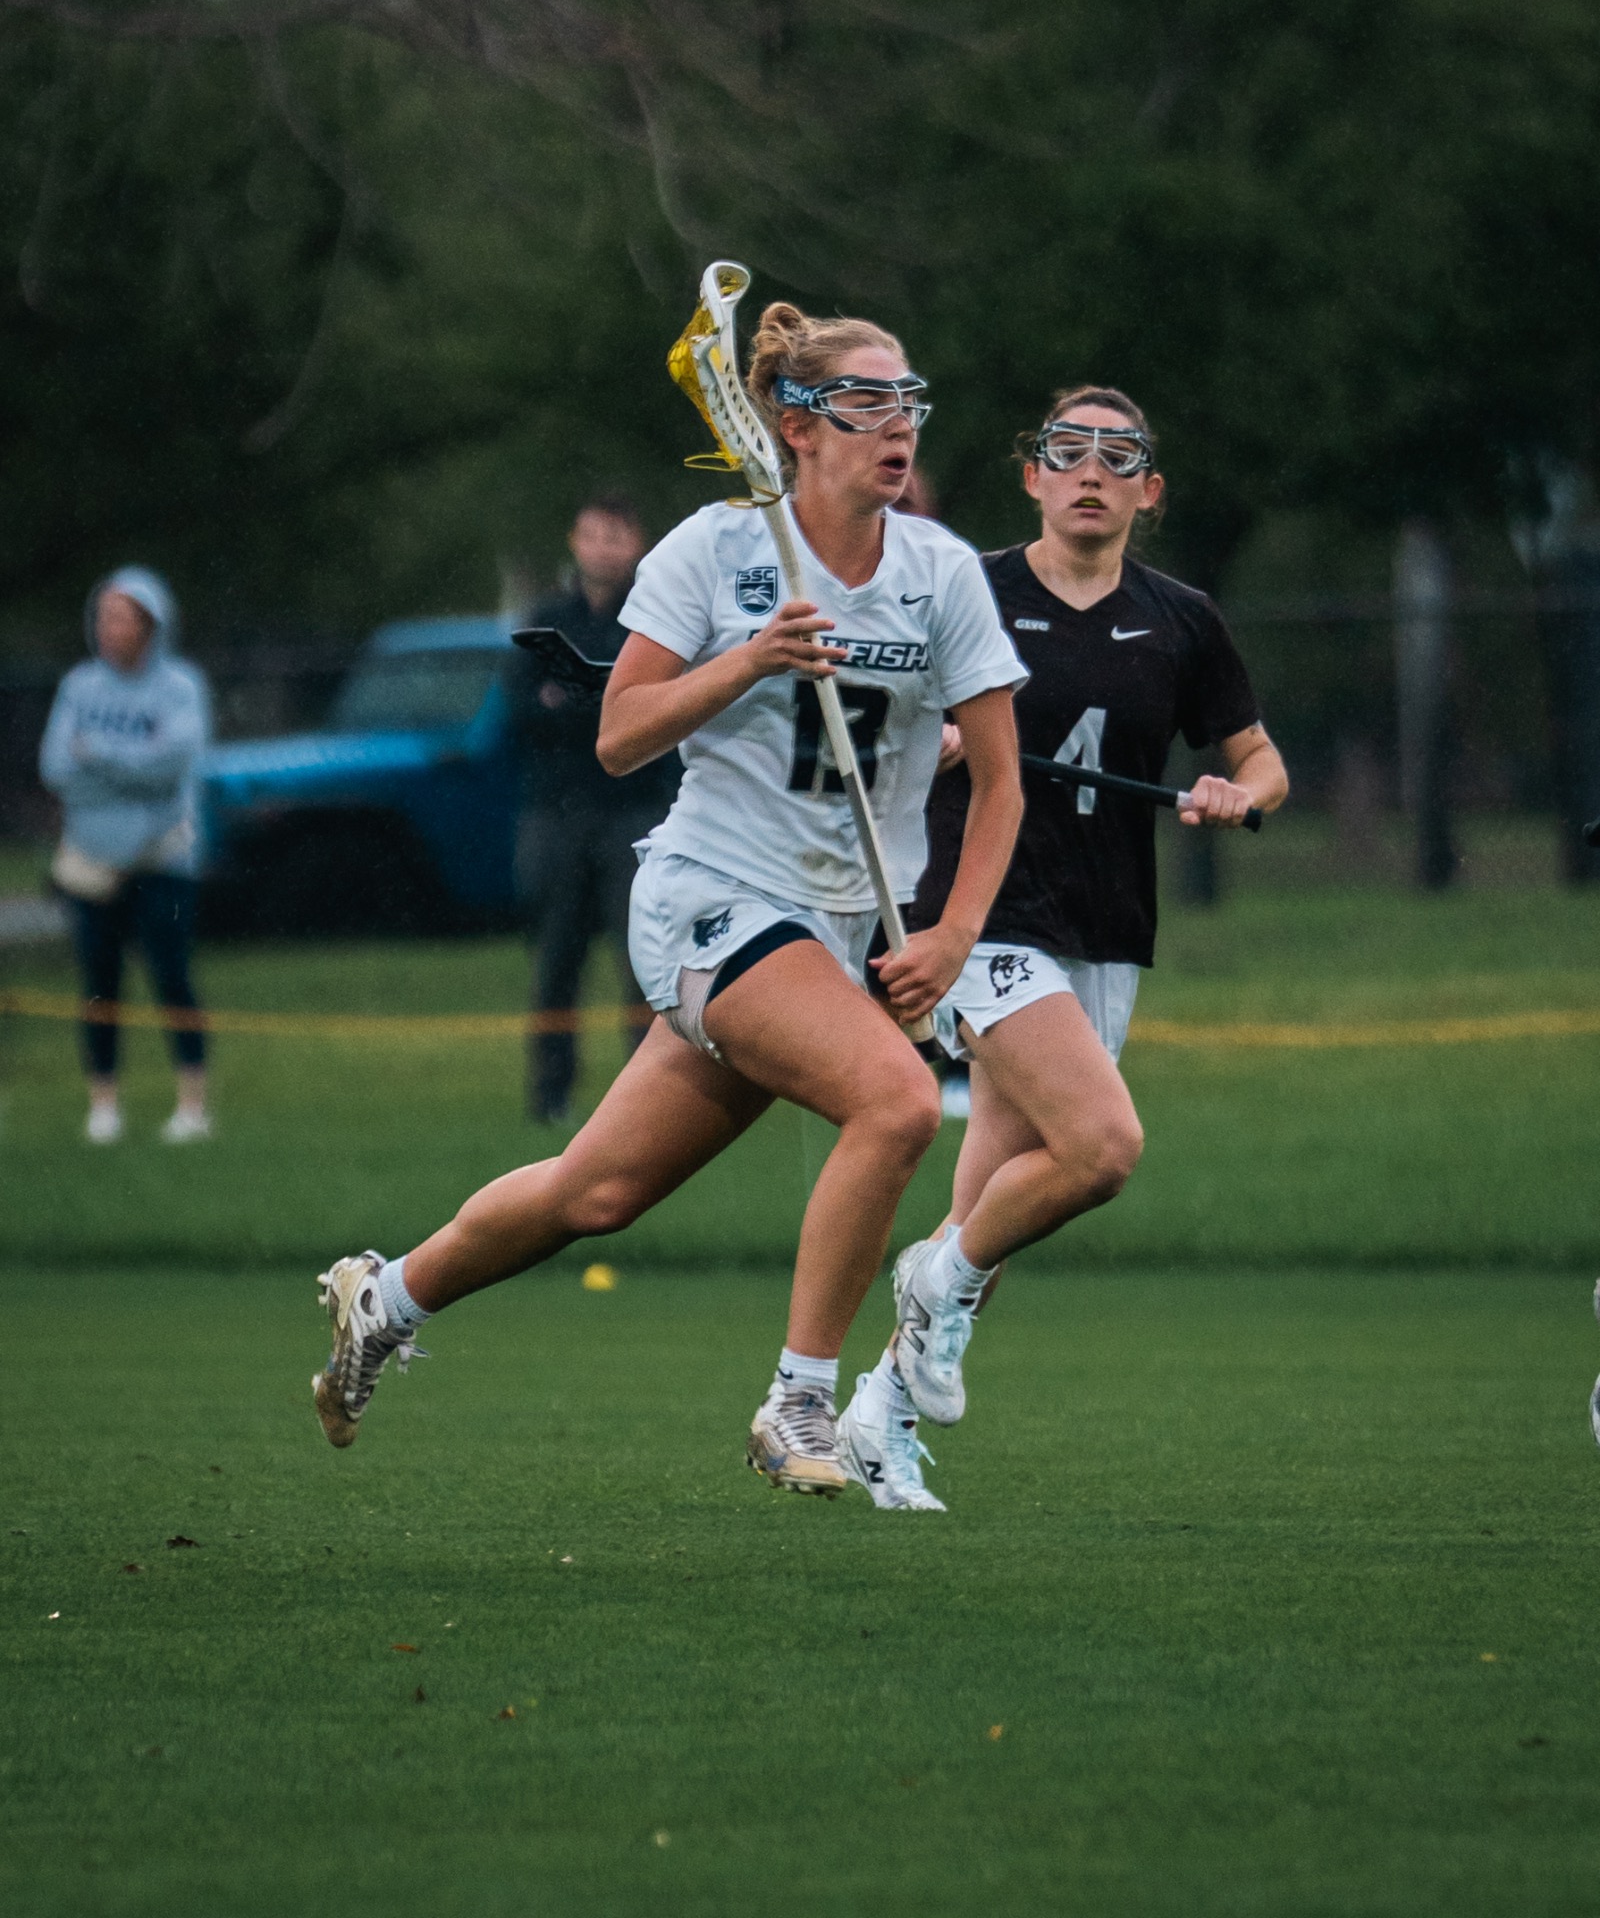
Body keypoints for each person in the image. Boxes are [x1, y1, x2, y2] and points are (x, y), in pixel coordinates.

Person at [310, 304, 1028, 1496]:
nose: (896, 425)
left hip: (839, 930)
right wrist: (748, 659)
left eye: (909, 401)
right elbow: (619, 733)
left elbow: (999, 779)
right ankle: (798, 1399)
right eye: (866, 402)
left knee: (595, 1191)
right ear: (795, 425)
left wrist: (952, 928)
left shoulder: (941, 573)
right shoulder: (714, 549)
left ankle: (379, 1301)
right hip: (712, 897)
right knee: (899, 1101)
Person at [840, 386, 1289, 1509]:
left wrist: (1241, 793)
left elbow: (1264, 760)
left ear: (1149, 488)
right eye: (1067, 451)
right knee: (1099, 1147)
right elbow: (857, 713)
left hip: (1104, 927)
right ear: (1031, 474)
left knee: (995, 1192)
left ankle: (875, 1415)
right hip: (981, 913)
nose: (1090, 470)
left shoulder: (1181, 617)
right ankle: (930, 1279)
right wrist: (920, 733)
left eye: (1117, 454)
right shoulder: (965, 591)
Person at [511, 494, 680, 1123]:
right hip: (556, 815)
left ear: (636, 543)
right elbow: (520, 712)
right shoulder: (546, 619)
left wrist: (576, 703)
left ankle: (645, 1104)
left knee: (643, 963)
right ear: (573, 541)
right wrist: (607, 705)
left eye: (616, 535)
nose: (604, 547)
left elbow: (660, 709)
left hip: (635, 814)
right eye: (593, 535)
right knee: (555, 960)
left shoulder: (656, 616)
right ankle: (549, 1098)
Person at [39, 566, 214, 1144]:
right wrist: (123, 768)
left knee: (172, 978)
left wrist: (100, 758)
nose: (110, 628)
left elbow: (170, 770)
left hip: (162, 858)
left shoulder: (181, 686)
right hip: (92, 859)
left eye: (123, 616)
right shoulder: (79, 687)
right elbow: (57, 768)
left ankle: (192, 1106)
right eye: (103, 616)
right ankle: (104, 1108)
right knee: (98, 982)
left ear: (151, 623)